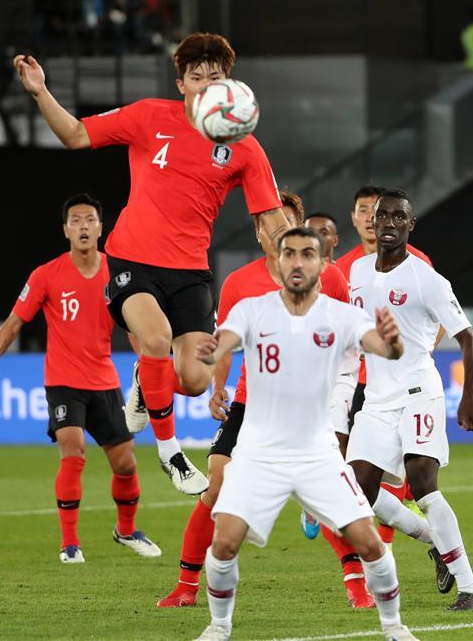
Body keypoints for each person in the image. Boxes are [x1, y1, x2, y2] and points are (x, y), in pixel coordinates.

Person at [12, 32, 291, 495]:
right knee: (157, 337)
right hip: (130, 260)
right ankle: (171, 453)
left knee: (196, 379)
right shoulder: (148, 116)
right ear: (180, 83)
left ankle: (147, 375)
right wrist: (41, 91)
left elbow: (270, 218)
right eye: (195, 77)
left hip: (190, 274)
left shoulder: (243, 146)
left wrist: (292, 251)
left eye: (215, 77)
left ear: (228, 85)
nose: (204, 85)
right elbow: (76, 134)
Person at [192, 227, 418, 641]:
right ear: (277, 263)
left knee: (370, 545)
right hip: (260, 453)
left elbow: (383, 348)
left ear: (322, 263)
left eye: (307, 254)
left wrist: (392, 343)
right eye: (290, 254)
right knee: (224, 543)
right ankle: (219, 626)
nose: (298, 262)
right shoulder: (252, 310)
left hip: (317, 453)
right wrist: (211, 350)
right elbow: (222, 340)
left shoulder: (341, 315)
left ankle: (395, 627)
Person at [158, 192, 375, 610]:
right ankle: (186, 586)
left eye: (286, 222)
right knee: (218, 485)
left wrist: (343, 392)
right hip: (251, 403)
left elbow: (350, 340)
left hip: (308, 407)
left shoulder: (329, 279)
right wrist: (218, 387)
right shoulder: (239, 283)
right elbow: (223, 342)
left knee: (327, 493)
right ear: (258, 232)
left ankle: (356, 584)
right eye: (268, 223)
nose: (276, 230)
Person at [0, 194, 160, 564]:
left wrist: (150, 365)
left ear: (101, 228)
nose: (84, 226)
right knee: (73, 452)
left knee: (126, 464)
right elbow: (14, 323)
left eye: (90, 219)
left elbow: (136, 326)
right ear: (65, 230)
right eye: (76, 220)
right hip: (63, 381)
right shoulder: (46, 275)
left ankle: (126, 530)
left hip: (104, 381)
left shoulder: (116, 275)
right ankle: (70, 544)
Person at [345, 188, 473, 612]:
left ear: (410, 225)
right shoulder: (355, 273)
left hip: (417, 393)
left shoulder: (427, 279)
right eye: (381, 216)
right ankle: (435, 543)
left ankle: (470, 589)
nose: (388, 223)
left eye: (397, 217)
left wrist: (468, 397)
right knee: (357, 492)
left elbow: (468, 339)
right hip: (376, 399)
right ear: (372, 223)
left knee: (424, 486)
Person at [335, 185, 434, 551]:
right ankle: (433, 542)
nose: (369, 219)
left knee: (398, 481)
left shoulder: (418, 262)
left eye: (373, 211)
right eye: (363, 211)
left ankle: (386, 554)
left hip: (402, 386)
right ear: (357, 218)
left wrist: (417, 354)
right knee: (350, 478)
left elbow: (437, 318)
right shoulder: (344, 268)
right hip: (354, 383)